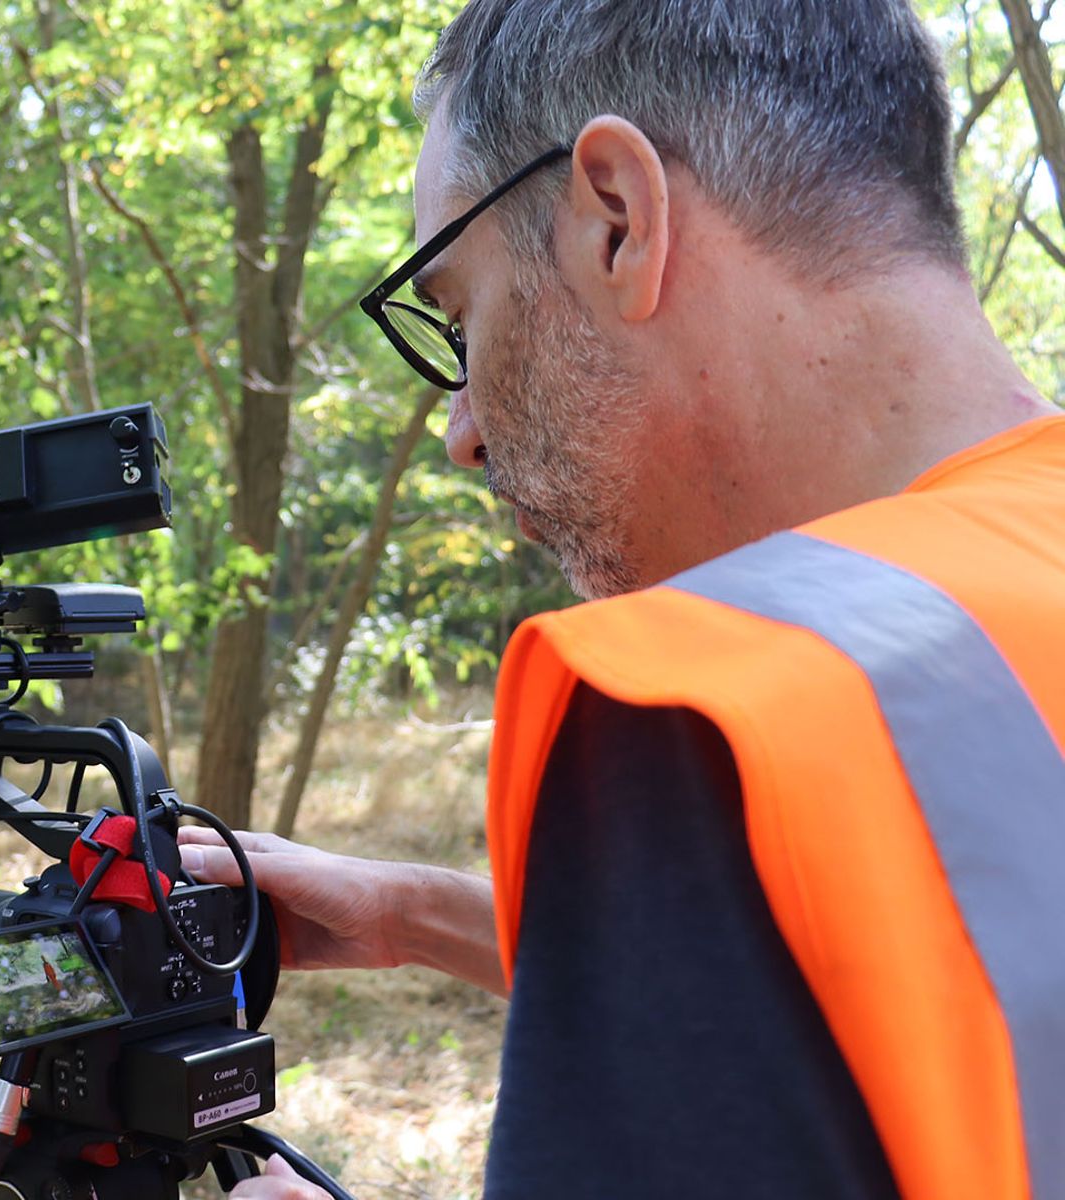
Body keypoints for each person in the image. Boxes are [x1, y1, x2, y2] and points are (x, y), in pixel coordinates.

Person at [178, 2, 1065, 1197]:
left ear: (616, 219)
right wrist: (419, 914)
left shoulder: (710, 707)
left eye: (458, 313)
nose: (462, 432)